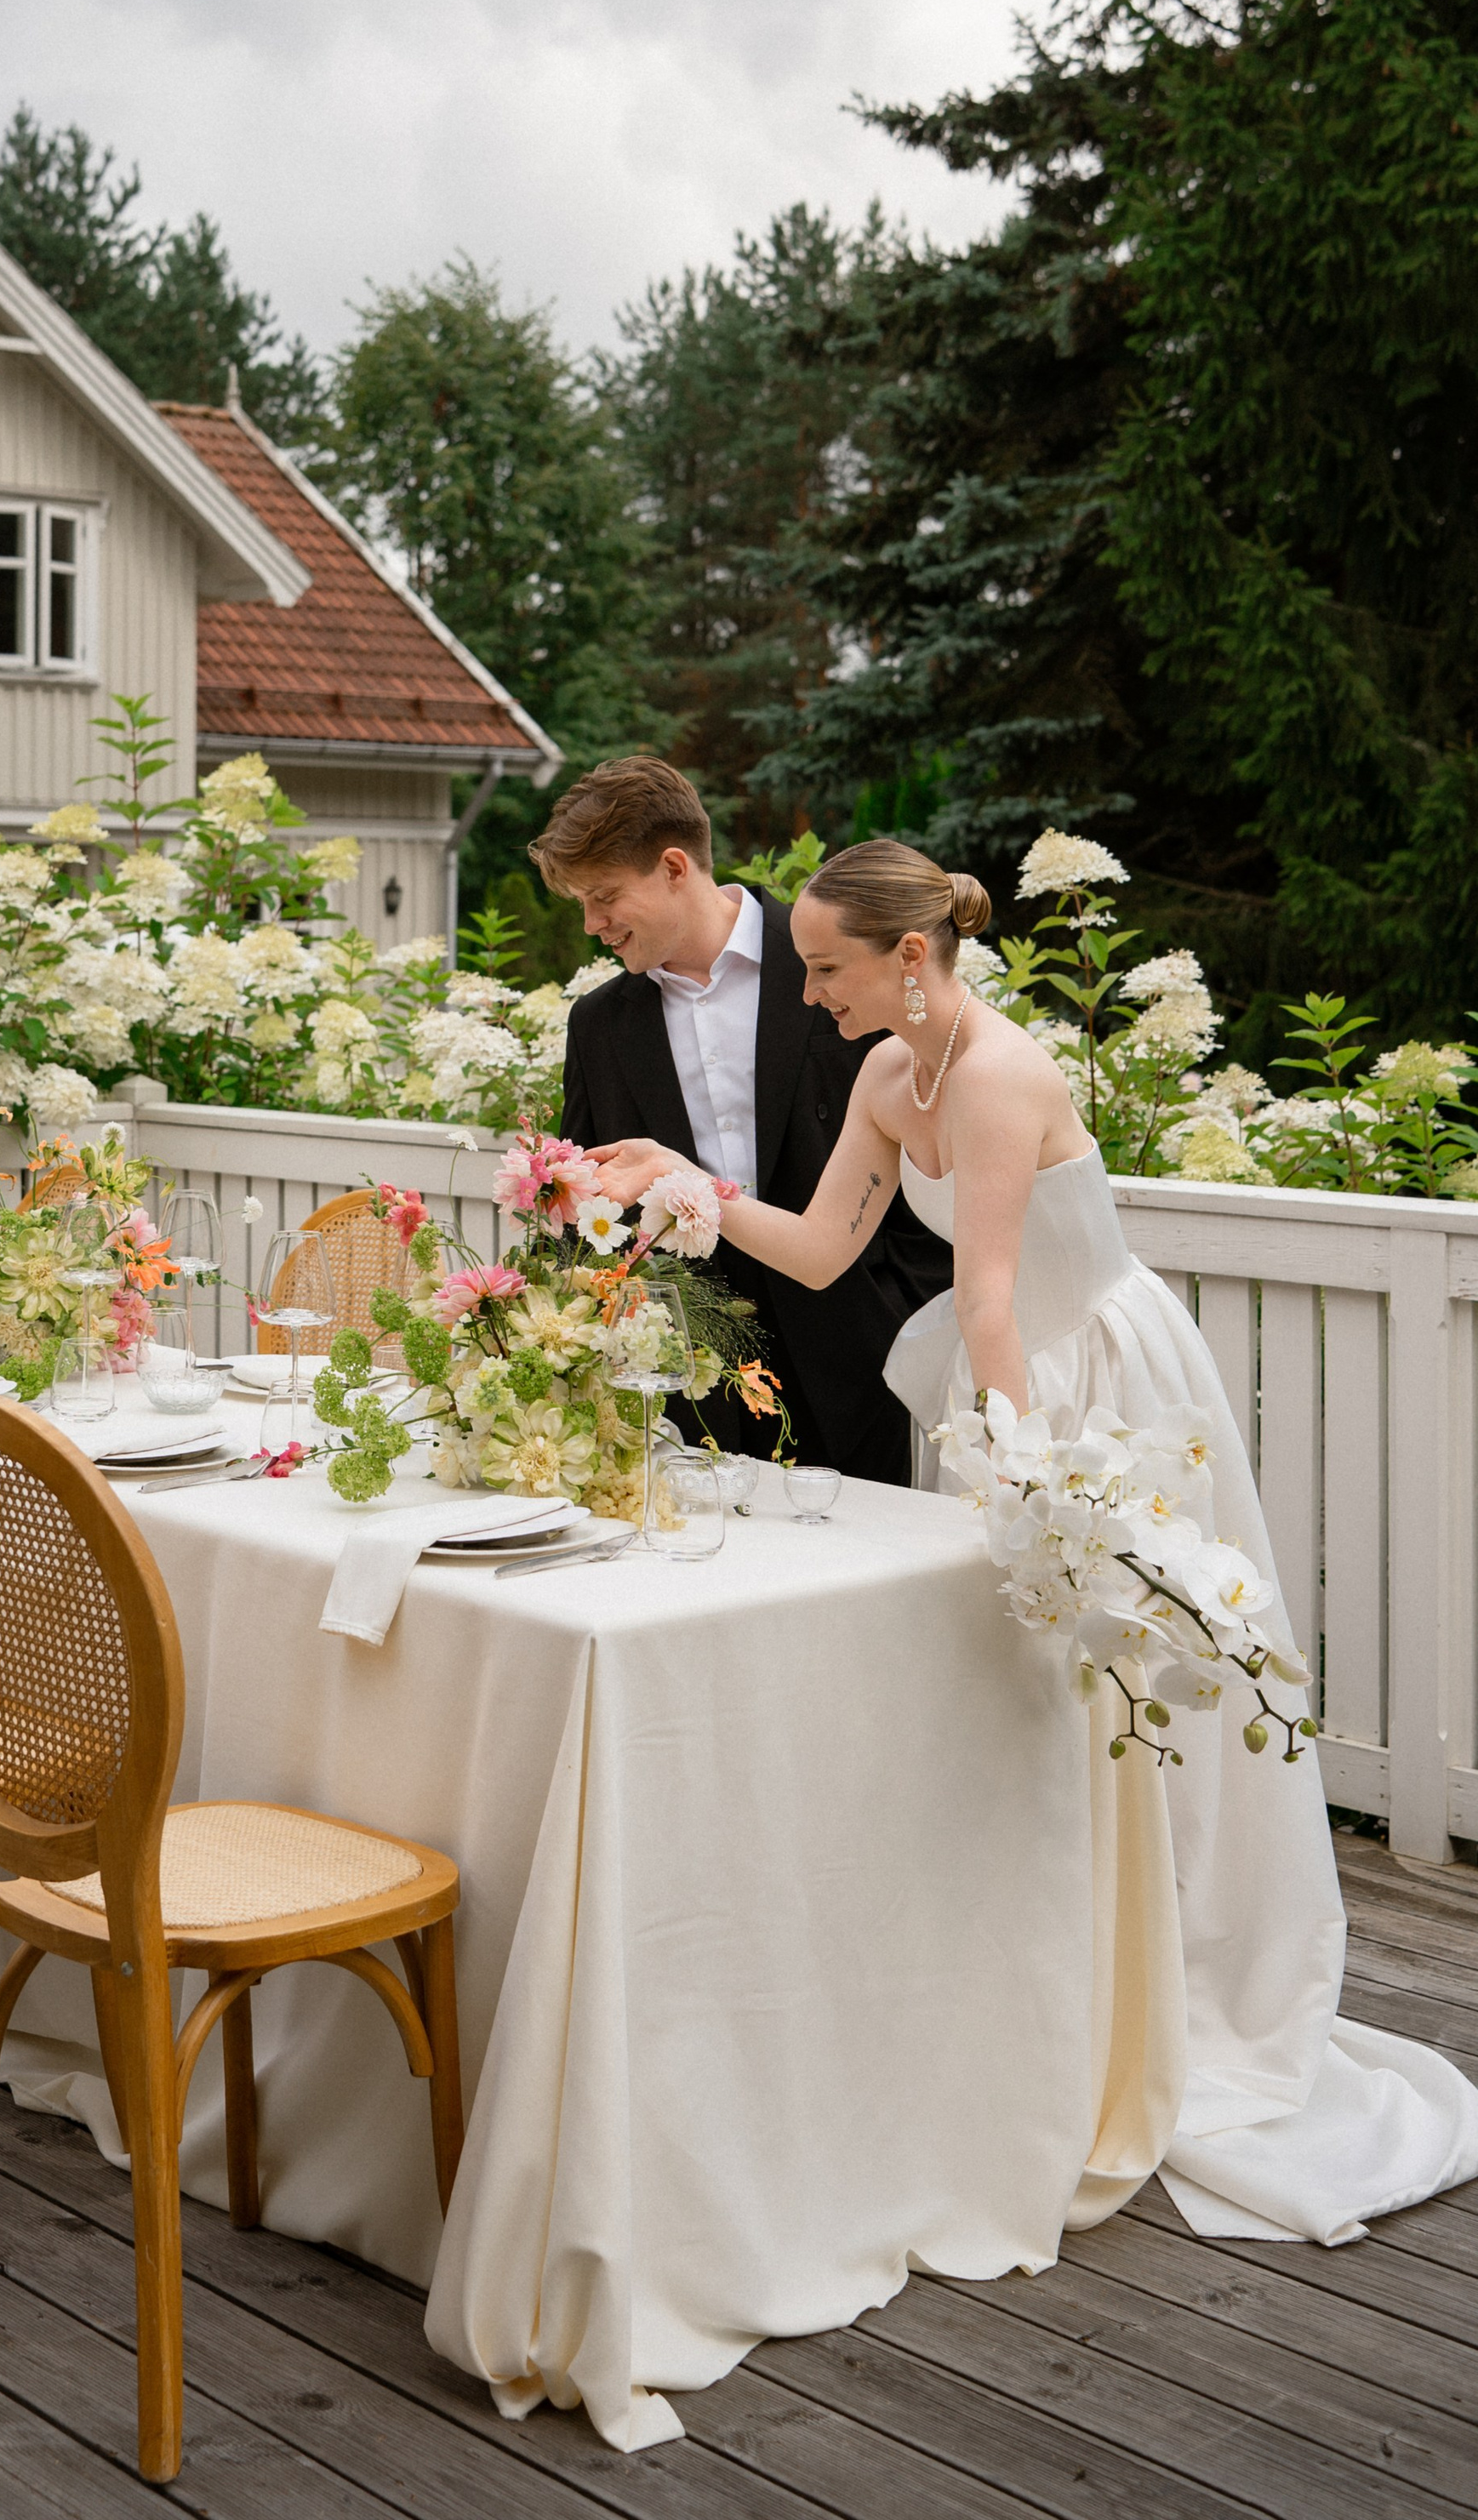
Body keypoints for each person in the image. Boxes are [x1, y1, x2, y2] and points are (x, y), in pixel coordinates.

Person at [591, 833, 1478, 2243]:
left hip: (1093, 1390)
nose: (808, 993)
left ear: (910, 955)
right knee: (1016, 1709)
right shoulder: (891, 1073)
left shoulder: (1002, 1074)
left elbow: (991, 1298)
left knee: (1116, 1680)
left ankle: (1162, 1984)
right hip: (1010, 1385)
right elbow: (822, 1250)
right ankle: (1042, 1976)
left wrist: (1024, 1492)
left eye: (824, 968)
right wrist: (688, 1187)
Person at [535, 760, 950, 1483]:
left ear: (673, 867)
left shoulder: (833, 962)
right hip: (689, 1386)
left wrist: (893, 1312)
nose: (591, 925)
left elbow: (932, 1132)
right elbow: (589, 1208)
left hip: (860, 1357)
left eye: (603, 898)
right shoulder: (598, 1024)